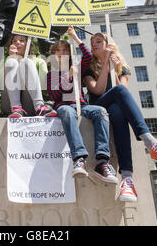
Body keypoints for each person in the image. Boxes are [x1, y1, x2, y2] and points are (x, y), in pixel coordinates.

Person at [83, 32, 157, 202]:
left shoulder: (122, 66)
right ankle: (150, 141)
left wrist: (115, 67)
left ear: (108, 43)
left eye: (99, 41)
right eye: (92, 42)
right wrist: (105, 62)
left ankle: (127, 179)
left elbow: (123, 91)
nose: (94, 44)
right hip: (97, 107)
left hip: (113, 110)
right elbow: (97, 90)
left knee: (119, 112)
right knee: (117, 95)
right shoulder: (88, 67)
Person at [47, 26, 117, 183]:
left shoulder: (78, 67)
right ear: (53, 55)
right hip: (64, 106)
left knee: (101, 111)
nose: (62, 53)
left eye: (65, 50)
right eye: (58, 51)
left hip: (82, 106)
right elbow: (55, 95)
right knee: (67, 112)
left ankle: (102, 161)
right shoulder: (51, 74)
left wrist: (75, 37)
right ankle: (79, 158)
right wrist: (68, 76)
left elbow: (87, 54)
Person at [0, 34, 57, 118]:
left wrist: (29, 66)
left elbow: (45, 87)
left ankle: (40, 107)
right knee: (11, 63)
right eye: (14, 41)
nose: (17, 42)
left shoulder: (39, 61)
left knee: (26, 62)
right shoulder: (6, 61)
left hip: (31, 105)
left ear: (28, 44)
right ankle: (16, 108)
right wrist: (12, 58)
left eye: (21, 40)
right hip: (10, 106)